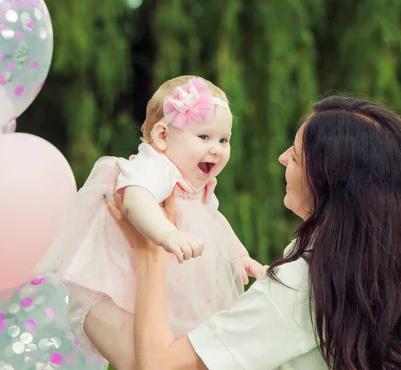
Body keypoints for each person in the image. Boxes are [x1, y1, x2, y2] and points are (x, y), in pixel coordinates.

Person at [107, 96, 401, 370]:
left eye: (294, 156)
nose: (282, 159)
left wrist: (149, 251)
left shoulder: (301, 285)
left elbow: (158, 365)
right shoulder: (363, 268)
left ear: (327, 183)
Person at [35, 76, 267, 369]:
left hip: (161, 294)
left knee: (165, 351)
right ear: (162, 137)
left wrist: (240, 255)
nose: (217, 149)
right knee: (138, 357)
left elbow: (215, 218)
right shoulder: (156, 167)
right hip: (112, 292)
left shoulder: (199, 183)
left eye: (224, 140)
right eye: (204, 137)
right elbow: (136, 201)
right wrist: (167, 233)